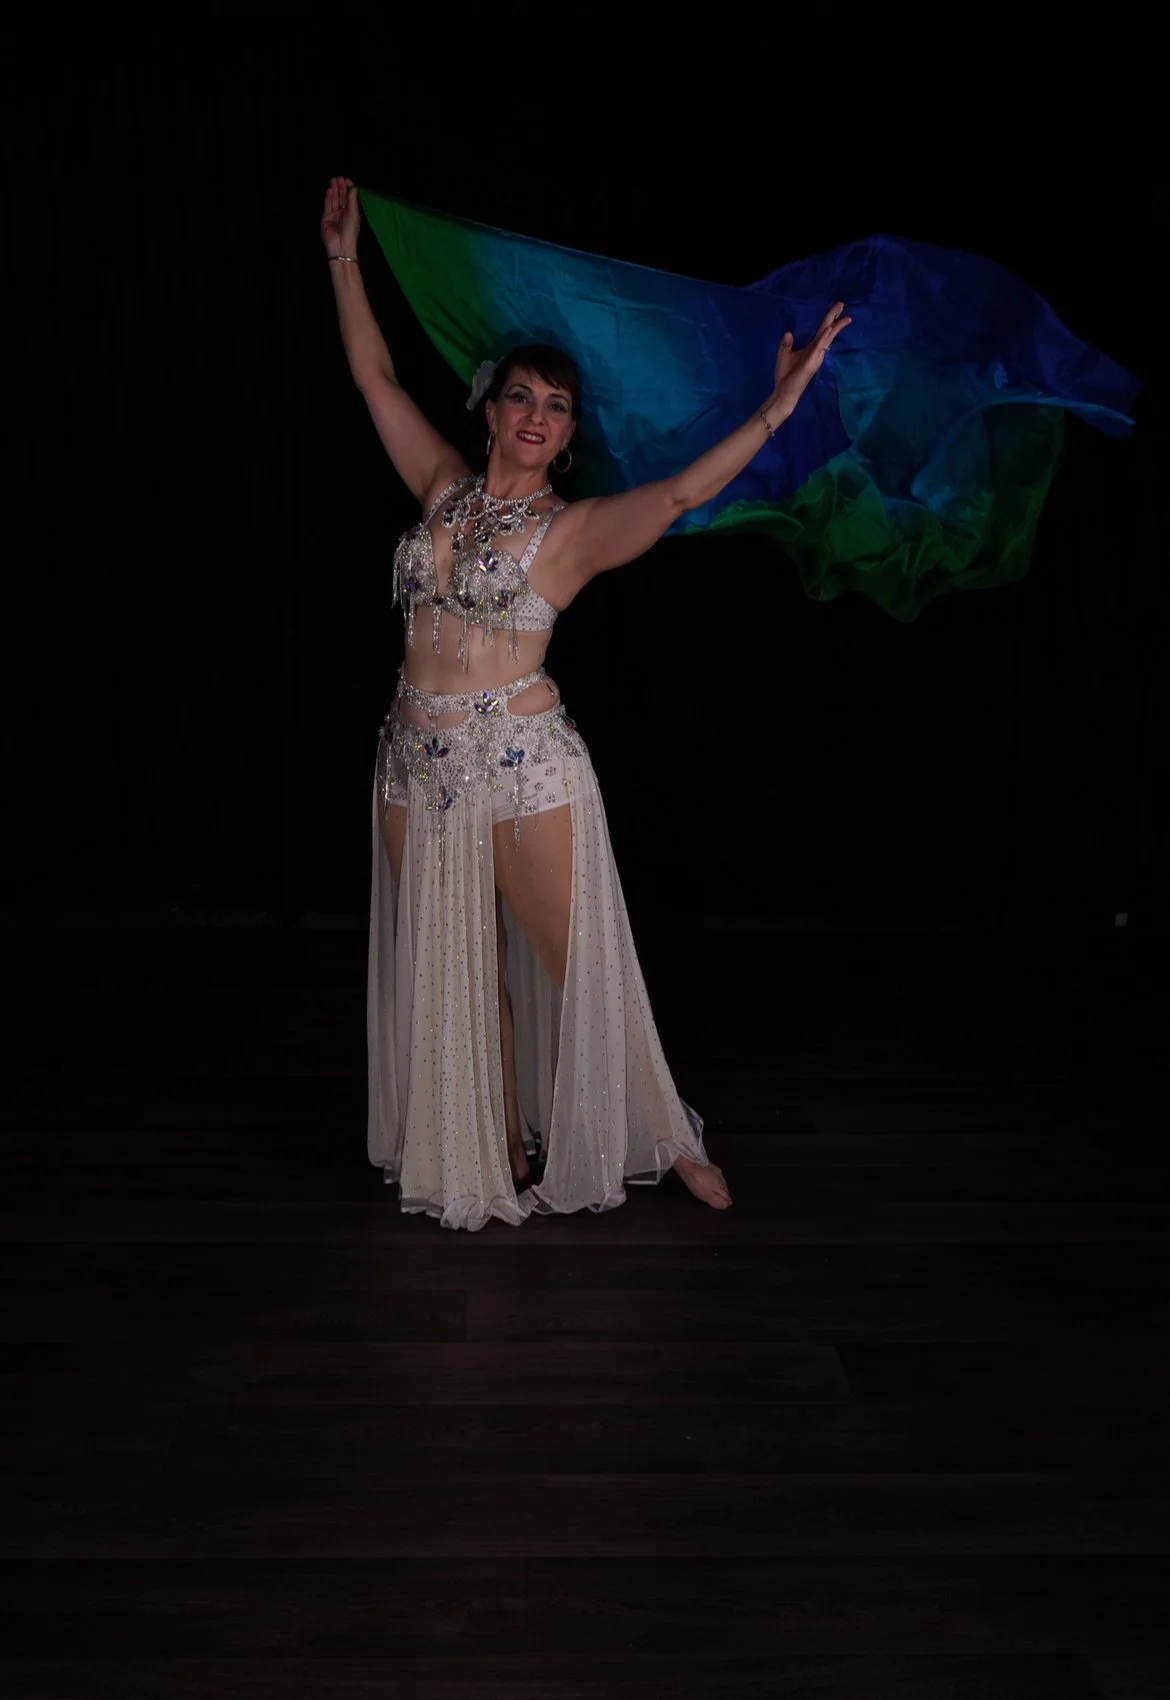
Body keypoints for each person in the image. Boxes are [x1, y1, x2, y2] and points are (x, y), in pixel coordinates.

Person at [323, 176, 850, 1232]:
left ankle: (673, 1139)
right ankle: (502, 1138)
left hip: (521, 766)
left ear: (567, 437)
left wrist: (778, 407)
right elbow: (375, 375)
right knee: (459, 970)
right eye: (521, 396)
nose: (536, 416)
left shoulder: (571, 532)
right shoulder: (441, 488)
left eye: (556, 407)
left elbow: (683, 492)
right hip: (412, 761)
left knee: (582, 969)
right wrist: (343, 258)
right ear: (490, 409)